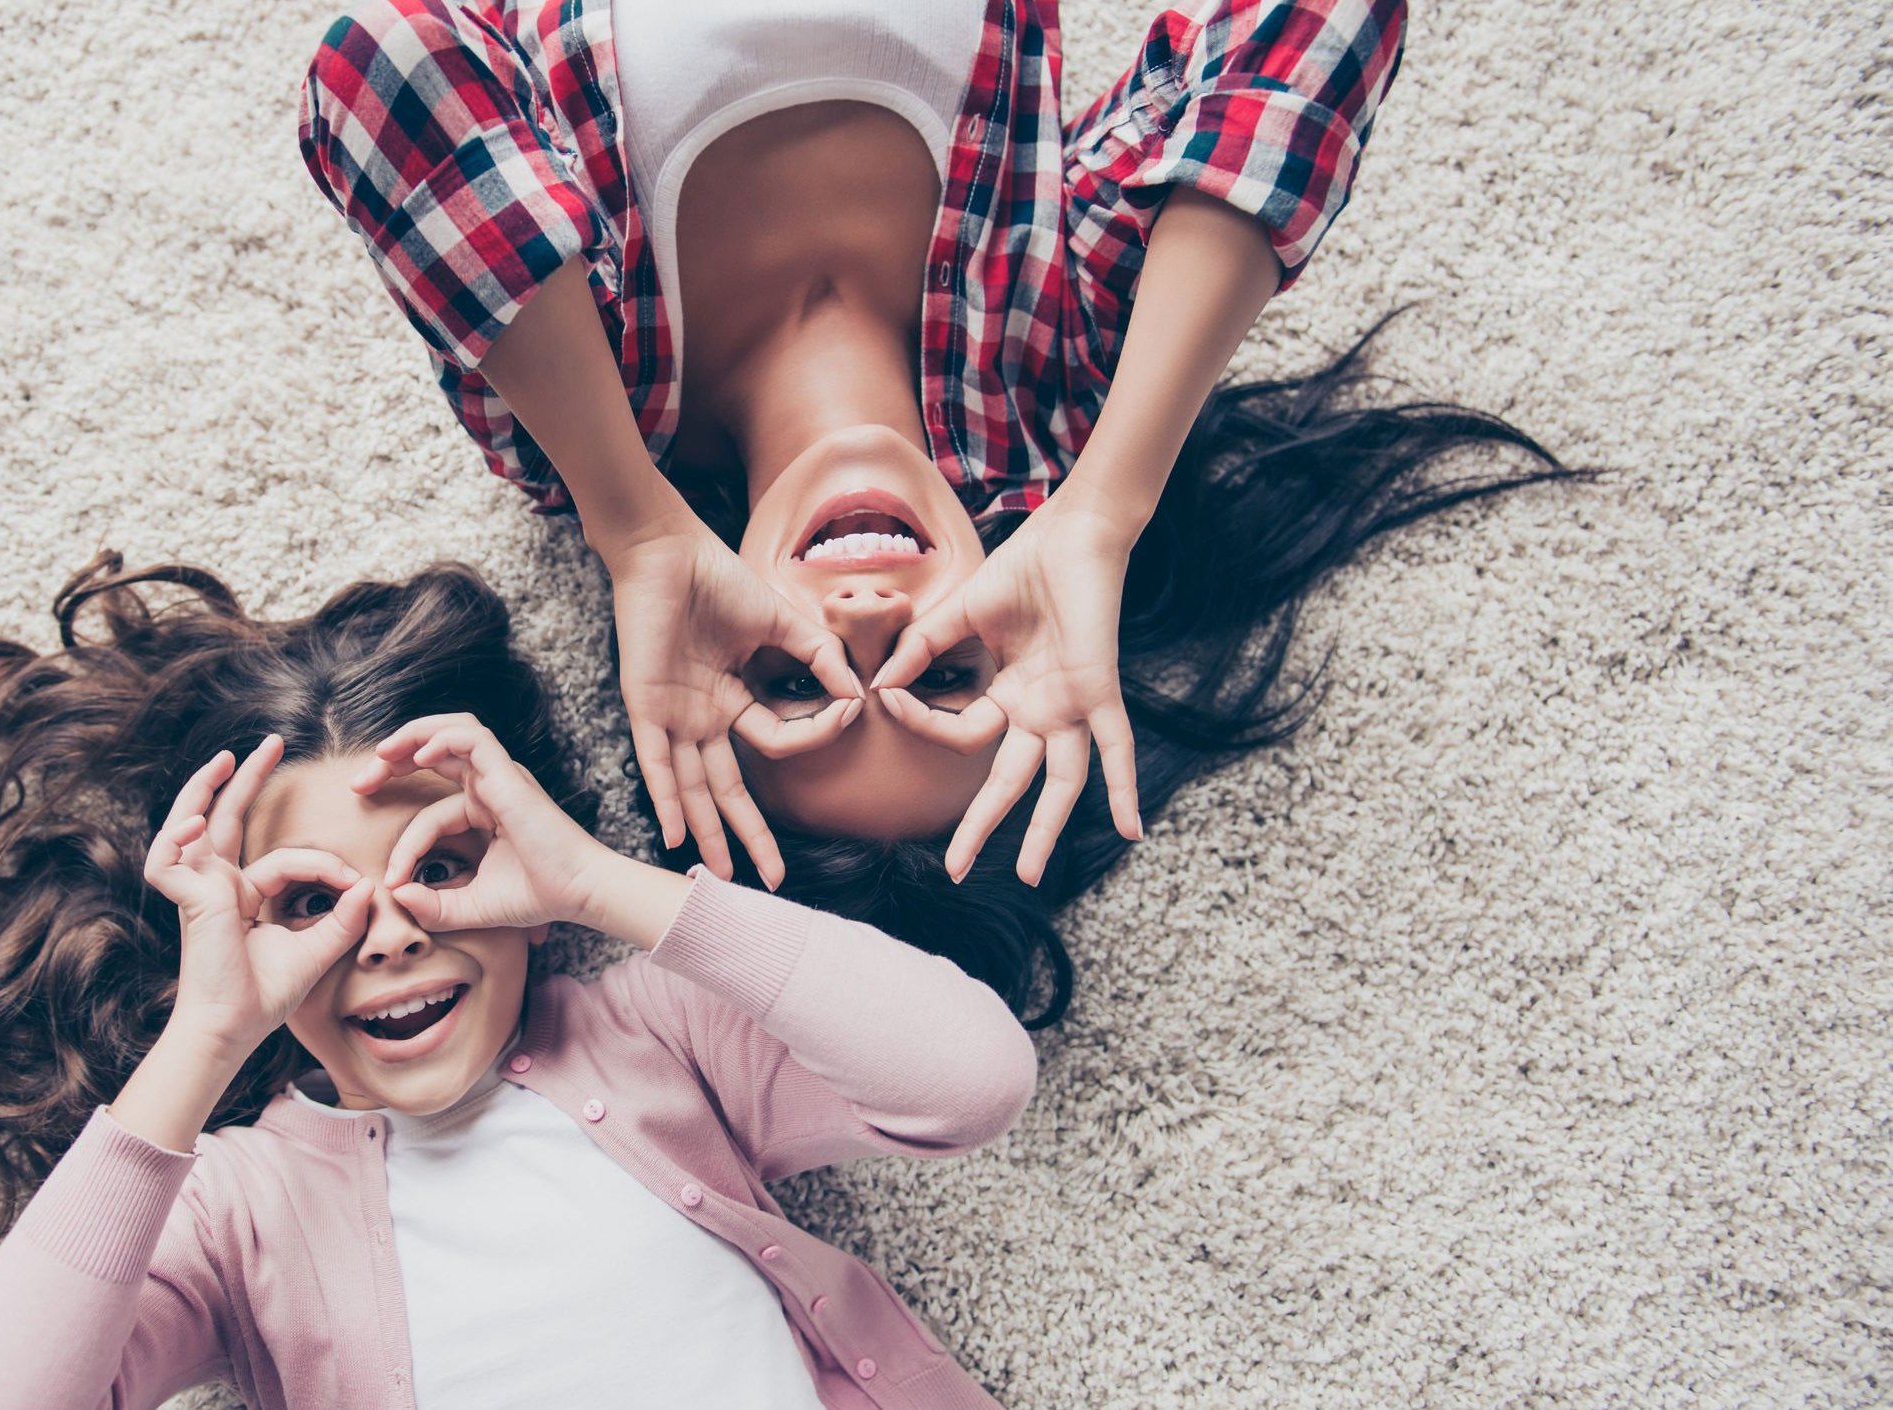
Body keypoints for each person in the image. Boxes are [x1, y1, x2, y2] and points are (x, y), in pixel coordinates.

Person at [298, 0, 1570, 1017]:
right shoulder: (1056, 386)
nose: (862, 614)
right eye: (943, 670)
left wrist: (630, 521)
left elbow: (382, 67)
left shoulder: (582, 407)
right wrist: (1106, 508)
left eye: (797, 686)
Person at [0, 554, 1037, 1408]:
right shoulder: (241, 1202)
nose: (384, 931)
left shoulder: (653, 1034)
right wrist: (200, 1037)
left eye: (444, 863)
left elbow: (969, 1078)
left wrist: (599, 885)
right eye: (306, 900)